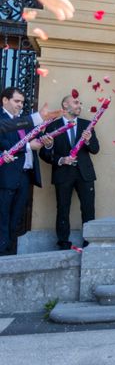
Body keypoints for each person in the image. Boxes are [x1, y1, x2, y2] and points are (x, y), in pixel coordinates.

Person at [39, 94, 100, 249]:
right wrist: (61, 159)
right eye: (75, 102)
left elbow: (95, 149)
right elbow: (44, 154)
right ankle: (63, 243)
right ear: (65, 105)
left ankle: (89, 242)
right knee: (62, 208)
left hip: (84, 174)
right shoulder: (53, 126)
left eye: (80, 102)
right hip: (63, 173)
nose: (79, 105)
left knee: (88, 208)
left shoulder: (88, 125)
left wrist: (88, 140)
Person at [0, 87, 52, 256]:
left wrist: (46, 141)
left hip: (25, 176)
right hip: (6, 176)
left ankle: (11, 253)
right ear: (5, 100)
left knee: (16, 218)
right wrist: (29, 145)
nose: (20, 105)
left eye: (22, 102)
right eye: (17, 101)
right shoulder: (2, 120)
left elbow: (35, 141)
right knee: (3, 217)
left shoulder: (22, 121)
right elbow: (6, 144)